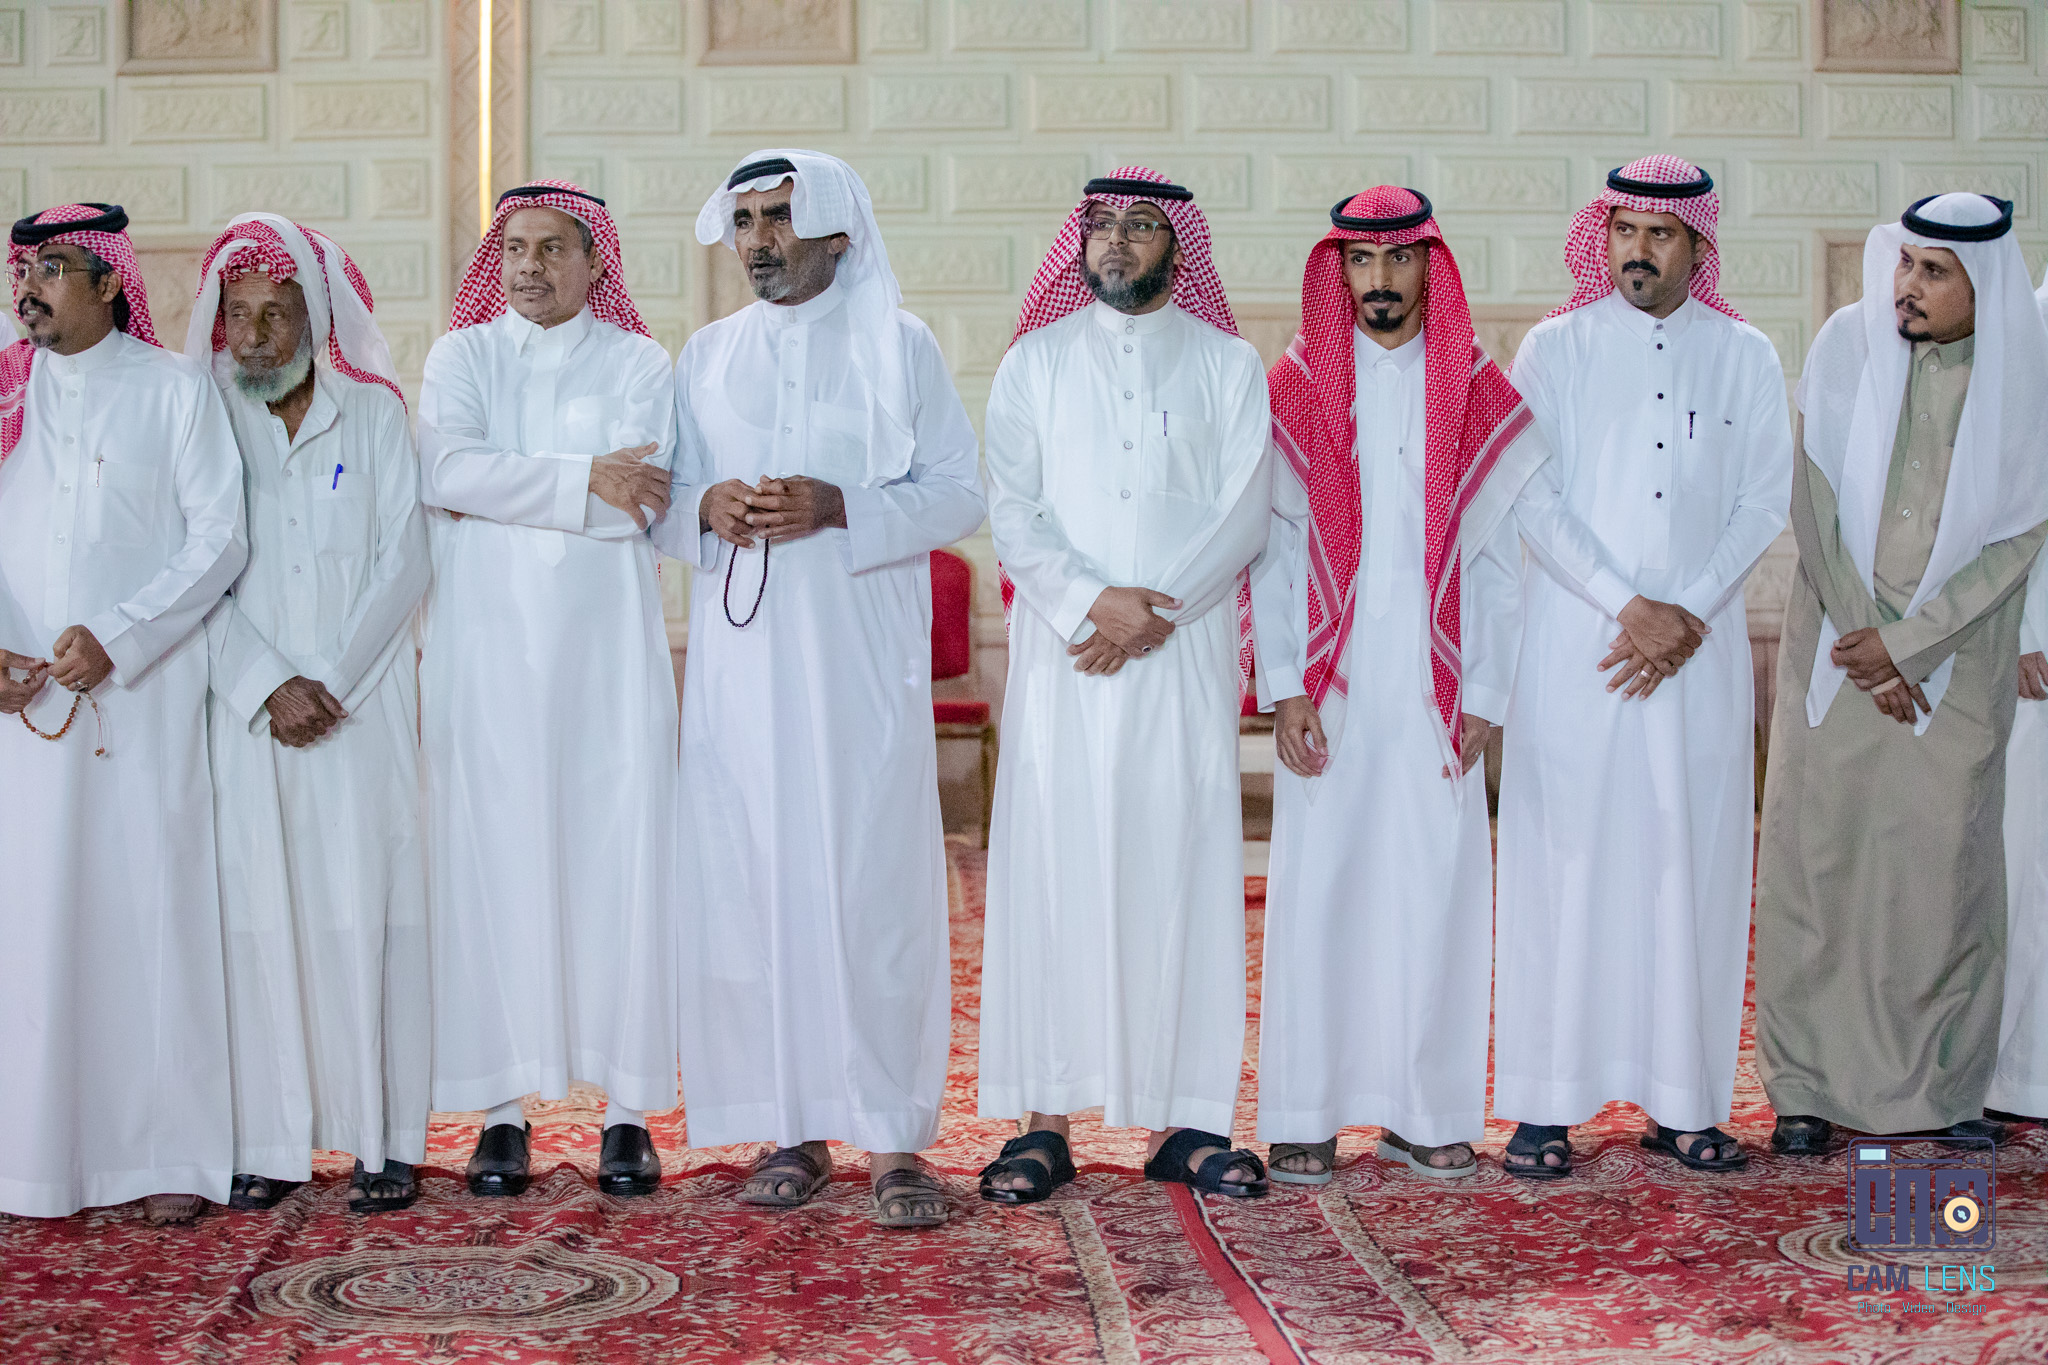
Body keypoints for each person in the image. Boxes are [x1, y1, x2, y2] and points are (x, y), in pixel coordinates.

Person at [657, 151, 984, 1228]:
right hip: (742, 673)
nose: (758, 240)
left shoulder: (900, 346)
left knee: (872, 889)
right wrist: (705, 508)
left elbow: (959, 494)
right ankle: (787, 1126)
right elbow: (663, 499)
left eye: (780, 219)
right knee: (755, 883)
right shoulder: (707, 355)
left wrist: (843, 506)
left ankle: (893, 1138)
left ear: (839, 233)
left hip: (860, 671)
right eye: (746, 220)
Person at [978, 168, 1273, 1203]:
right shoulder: (1034, 362)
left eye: (1139, 226)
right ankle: (1044, 1121)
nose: (1115, 240)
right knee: (1054, 870)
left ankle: (1189, 1120)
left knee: (1183, 866)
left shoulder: (1229, 365)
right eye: (1101, 224)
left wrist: (1151, 613)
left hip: (1179, 657)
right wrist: (1089, 603)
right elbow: (1011, 509)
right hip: (1066, 659)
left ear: (1176, 248)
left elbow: (1245, 509)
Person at [1495, 157, 1792, 1178]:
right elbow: (1529, 495)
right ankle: (1544, 1104)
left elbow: (1763, 498)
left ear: (1696, 245)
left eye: (1659, 234)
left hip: (1696, 656)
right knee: (1564, 863)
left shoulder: (1744, 354)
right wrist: (1630, 607)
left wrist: (1687, 608)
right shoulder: (1555, 347)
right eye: (1623, 231)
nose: (1637, 250)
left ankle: (1685, 1101)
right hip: (1580, 648)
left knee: (1689, 867)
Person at [1250, 187, 1547, 1185]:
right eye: (1360, 261)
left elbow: (1498, 559)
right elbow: (1273, 552)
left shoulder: (1475, 390)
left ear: (1431, 266)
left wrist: (1486, 693)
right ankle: (1305, 1112)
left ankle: (1426, 1113)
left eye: (1399, 259)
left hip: (1435, 684)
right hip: (1327, 684)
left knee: (1435, 890)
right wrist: (1284, 684)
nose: (1379, 280)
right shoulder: (1294, 386)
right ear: (1336, 271)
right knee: (1319, 889)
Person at [1757, 193, 2048, 1152]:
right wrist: (1866, 637)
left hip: (1955, 666)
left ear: (1984, 285)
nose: (1907, 287)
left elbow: (2019, 538)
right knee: (1821, 867)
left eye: (1934, 272)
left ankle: (1941, 1087)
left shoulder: (2026, 375)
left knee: (1942, 876)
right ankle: (1805, 1089)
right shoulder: (1848, 345)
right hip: (1840, 658)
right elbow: (1811, 496)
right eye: (1905, 264)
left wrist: (1913, 642)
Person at [417, 181, 679, 1197]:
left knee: (619, 863)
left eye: (552, 248)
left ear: (593, 262)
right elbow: (447, 473)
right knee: (490, 866)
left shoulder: (640, 362)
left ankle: (627, 1114)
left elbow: (636, 505)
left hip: (606, 661)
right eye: (515, 248)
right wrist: (579, 479)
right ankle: (500, 1113)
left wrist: (516, 485)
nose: (529, 267)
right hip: (485, 658)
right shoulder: (462, 356)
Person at [0, 204, 246, 1223]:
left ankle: (163, 1156)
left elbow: (219, 540)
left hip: (139, 704)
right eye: (24, 270)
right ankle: (28, 1158)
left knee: (149, 918)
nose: (30, 288)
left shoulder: (175, 391)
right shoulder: (5, 392)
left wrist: (120, 634)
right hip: (18, 712)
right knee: (28, 926)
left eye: (55, 269)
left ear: (109, 282)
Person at [189, 214, 431, 1214]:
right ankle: (268, 1141)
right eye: (239, 314)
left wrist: (325, 682)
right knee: (258, 921)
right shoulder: (200, 419)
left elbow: (405, 558)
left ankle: (387, 1141)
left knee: (372, 914)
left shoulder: (372, 416)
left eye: (275, 314)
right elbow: (189, 572)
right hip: (246, 717)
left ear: (315, 319)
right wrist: (266, 686)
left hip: (359, 713)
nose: (254, 335)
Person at [1987, 262, 2048, 1128]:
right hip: (2037, 634)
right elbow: (2009, 494)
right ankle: (2020, 1074)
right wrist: (2024, 627)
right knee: (2026, 855)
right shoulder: (2033, 325)